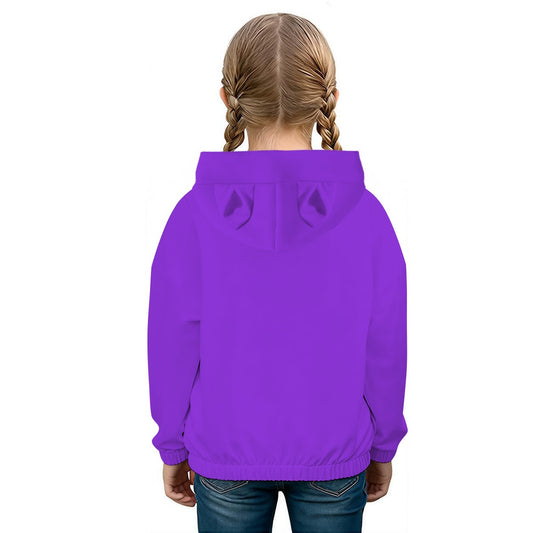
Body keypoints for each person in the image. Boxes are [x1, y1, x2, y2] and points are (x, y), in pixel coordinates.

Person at [147, 12, 408, 533]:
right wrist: (383, 445)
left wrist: (172, 444)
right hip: (335, 450)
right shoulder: (367, 216)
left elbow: (172, 341)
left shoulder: (193, 216)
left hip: (225, 452)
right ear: (329, 98)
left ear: (228, 98)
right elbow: (385, 341)